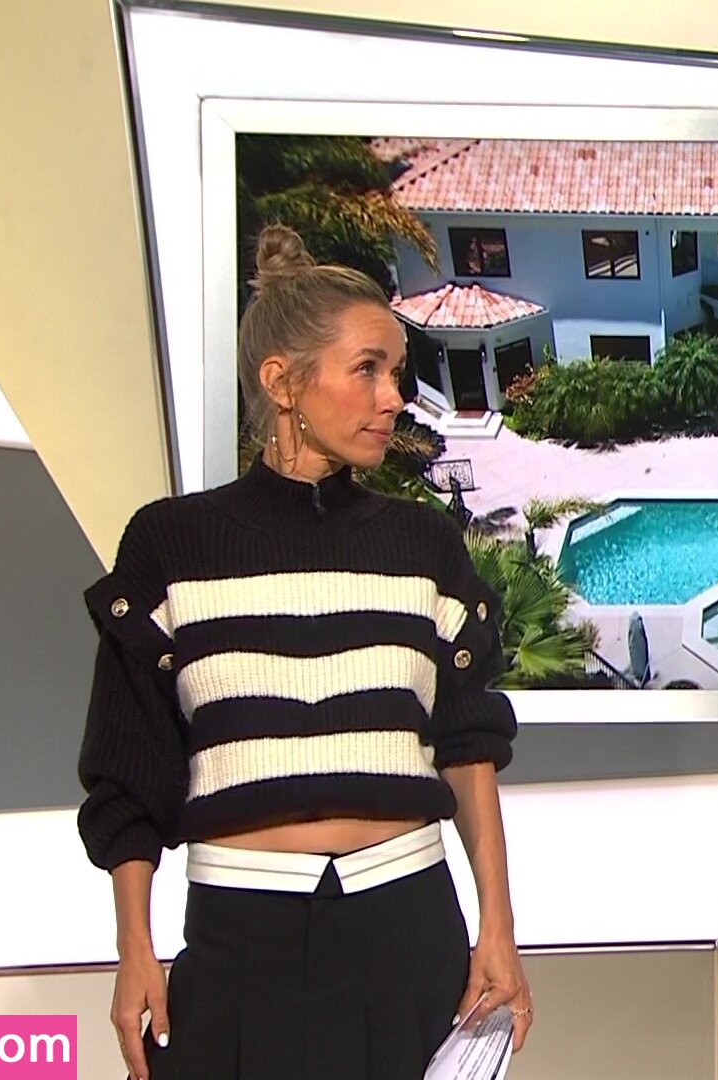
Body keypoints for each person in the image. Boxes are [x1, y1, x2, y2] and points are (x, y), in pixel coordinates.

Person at [77, 224, 532, 1080]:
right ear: (281, 382)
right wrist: (134, 949)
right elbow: (129, 768)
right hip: (241, 940)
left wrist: (498, 931)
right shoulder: (171, 544)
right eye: (368, 370)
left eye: (396, 372)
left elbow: (468, 747)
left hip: (410, 926)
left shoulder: (423, 544)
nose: (393, 398)